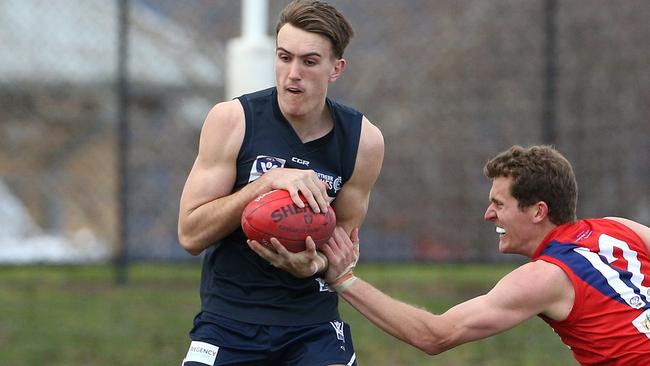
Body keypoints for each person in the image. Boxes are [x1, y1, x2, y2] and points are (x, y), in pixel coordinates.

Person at [177, 1, 384, 365]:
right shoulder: (232, 120)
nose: (293, 74)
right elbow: (190, 234)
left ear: (336, 69)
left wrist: (316, 266)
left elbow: (340, 252)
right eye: (284, 57)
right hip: (229, 321)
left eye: (309, 61)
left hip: (312, 325)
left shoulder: (362, 142)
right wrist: (264, 184)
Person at [321, 145, 650, 365]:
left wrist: (345, 279)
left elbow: (435, 335)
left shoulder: (546, 277)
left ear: (538, 212)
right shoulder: (619, 229)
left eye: (499, 204)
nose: (488, 215)